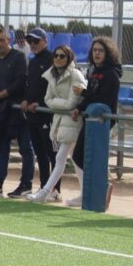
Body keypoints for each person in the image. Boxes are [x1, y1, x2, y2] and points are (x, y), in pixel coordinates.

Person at [26, 45, 86, 203]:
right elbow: (47, 100)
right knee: (75, 159)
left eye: (62, 56)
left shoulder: (76, 75)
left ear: (69, 58)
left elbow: (72, 102)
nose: (58, 59)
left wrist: (59, 104)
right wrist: (62, 104)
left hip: (73, 121)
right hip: (60, 121)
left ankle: (45, 192)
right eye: (56, 55)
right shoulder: (51, 75)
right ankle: (85, 194)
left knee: (60, 158)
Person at [68, 36, 122, 207]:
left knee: (82, 155)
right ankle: (93, 190)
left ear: (108, 53)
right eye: (95, 50)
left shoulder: (111, 74)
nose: (97, 54)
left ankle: (98, 189)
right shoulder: (94, 71)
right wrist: (80, 108)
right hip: (90, 118)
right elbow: (91, 95)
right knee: (80, 156)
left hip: (101, 120)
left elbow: (103, 99)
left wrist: (84, 93)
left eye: (101, 51)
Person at [0, 24, 31, 197]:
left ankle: (26, 185)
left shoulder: (19, 57)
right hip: (2, 112)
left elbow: (20, 83)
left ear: (9, 40)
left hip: (19, 111)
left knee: (25, 149)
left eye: (2, 40)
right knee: (2, 147)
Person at [20, 27, 60, 200]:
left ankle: (55, 190)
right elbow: (31, 85)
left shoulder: (53, 60)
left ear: (45, 41)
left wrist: (41, 104)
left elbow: (56, 89)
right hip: (34, 115)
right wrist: (26, 100)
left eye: (36, 41)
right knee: (41, 154)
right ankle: (45, 188)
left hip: (48, 115)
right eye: (30, 42)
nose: (33, 45)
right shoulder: (34, 61)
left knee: (53, 154)